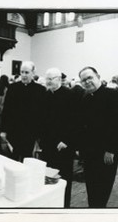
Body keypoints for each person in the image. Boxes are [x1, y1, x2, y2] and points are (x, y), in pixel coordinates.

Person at [77, 66, 118, 208]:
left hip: (106, 153)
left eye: (89, 78)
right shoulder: (85, 97)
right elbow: (83, 125)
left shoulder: (112, 94)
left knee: (102, 189)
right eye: (83, 80)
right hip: (89, 152)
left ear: (98, 76)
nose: (86, 82)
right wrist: (81, 148)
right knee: (91, 187)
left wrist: (111, 150)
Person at [40, 68, 76, 208]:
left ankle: (64, 206)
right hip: (48, 143)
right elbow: (43, 120)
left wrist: (67, 140)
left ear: (59, 79)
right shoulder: (46, 94)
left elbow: (75, 121)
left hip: (64, 145)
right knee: (48, 176)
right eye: (47, 78)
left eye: (51, 79)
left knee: (63, 178)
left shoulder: (70, 95)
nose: (48, 81)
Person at [1, 61, 46, 162]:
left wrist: (40, 134)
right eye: (22, 72)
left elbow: (42, 114)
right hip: (14, 130)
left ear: (33, 73)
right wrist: (3, 130)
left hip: (31, 132)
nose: (24, 75)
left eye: (27, 72)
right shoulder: (12, 88)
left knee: (27, 159)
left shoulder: (40, 90)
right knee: (13, 158)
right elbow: (6, 110)